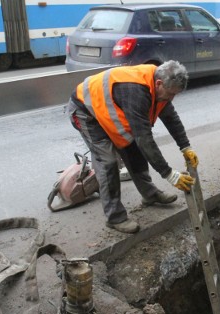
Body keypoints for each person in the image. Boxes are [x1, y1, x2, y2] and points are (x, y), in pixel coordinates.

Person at [66, 60, 198, 234]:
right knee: (108, 162)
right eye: (170, 94)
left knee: (134, 149)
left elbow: (171, 118)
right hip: (86, 112)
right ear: (159, 84)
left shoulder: (159, 85)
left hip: (109, 109)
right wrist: (169, 174)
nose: (171, 99)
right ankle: (115, 217)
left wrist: (185, 147)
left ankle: (149, 194)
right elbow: (144, 138)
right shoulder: (136, 91)